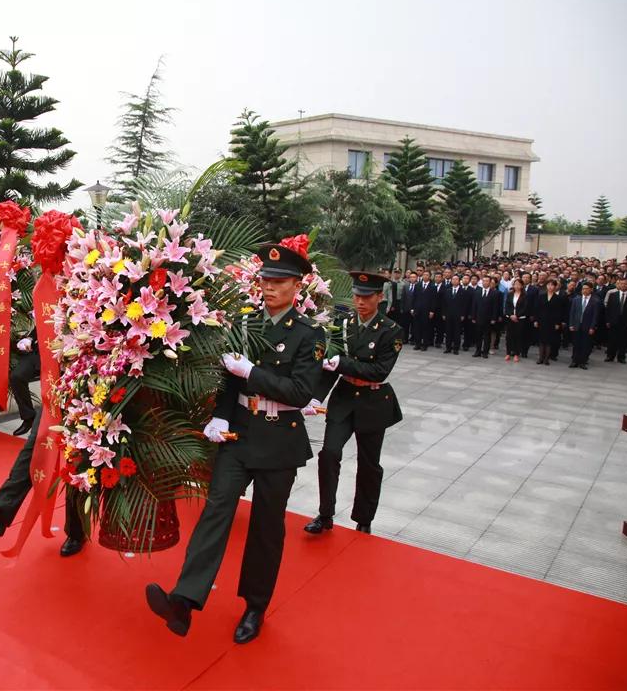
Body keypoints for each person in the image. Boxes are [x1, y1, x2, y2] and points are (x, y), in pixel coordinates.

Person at [144, 240, 325, 645]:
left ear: (297, 285)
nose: (269, 287)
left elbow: (300, 392)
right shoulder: (245, 325)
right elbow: (229, 377)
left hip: (279, 440)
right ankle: (184, 601)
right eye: (265, 279)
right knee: (216, 510)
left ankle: (255, 606)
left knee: (265, 527)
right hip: (239, 433)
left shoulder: (309, 334)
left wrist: (253, 373)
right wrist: (220, 415)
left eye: (279, 281)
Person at [304, 271, 403, 537]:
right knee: (329, 454)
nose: (360, 301)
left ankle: (363, 518)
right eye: (357, 296)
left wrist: (344, 364)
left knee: (369, 464)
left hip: (373, 401)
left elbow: (380, 371)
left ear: (379, 297)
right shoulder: (343, 323)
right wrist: (315, 396)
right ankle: (325, 514)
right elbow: (329, 364)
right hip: (344, 397)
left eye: (366, 297)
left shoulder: (391, 330)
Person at [0, 415, 85, 556]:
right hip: (52, 399)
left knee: (78, 460)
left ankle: (76, 531)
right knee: (35, 446)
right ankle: (0, 511)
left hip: (86, 400)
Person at [9, 327, 40, 436]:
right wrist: (30, 339)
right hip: (37, 352)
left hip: (59, 350)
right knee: (16, 377)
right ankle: (29, 417)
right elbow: (40, 326)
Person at [568, 281, 601, 369]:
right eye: (583, 289)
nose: (584, 290)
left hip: (588, 326)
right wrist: (571, 324)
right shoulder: (576, 299)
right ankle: (574, 361)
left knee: (586, 344)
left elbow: (595, 316)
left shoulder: (595, 301)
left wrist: (592, 327)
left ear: (591, 290)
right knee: (576, 344)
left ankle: (583, 361)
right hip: (577, 325)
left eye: (586, 289)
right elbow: (572, 313)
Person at [603, 278, 627, 364]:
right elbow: (608, 309)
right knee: (612, 339)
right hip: (613, 321)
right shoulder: (613, 295)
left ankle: (621, 357)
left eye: (625, 284)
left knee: (623, 340)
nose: (623, 285)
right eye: (622, 283)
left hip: (625, 321)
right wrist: (607, 321)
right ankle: (610, 356)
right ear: (619, 284)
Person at [533, 279, 565, 365]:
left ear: (555, 287)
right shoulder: (541, 296)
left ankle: (546, 358)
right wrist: (536, 320)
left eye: (552, 285)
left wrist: (558, 323)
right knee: (541, 340)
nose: (550, 287)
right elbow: (537, 309)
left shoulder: (558, 298)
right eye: (548, 285)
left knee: (548, 341)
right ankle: (540, 358)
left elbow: (559, 312)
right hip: (541, 321)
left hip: (552, 322)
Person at [441, 274, 467, 355]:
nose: (454, 281)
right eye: (453, 279)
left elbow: (464, 305)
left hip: (458, 315)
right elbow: (444, 304)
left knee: (457, 332)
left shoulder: (463, 291)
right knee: (448, 331)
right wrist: (444, 313)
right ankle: (448, 347)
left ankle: (456, 348)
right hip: (448, 314)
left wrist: (463, 314)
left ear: (459, 281)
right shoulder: (448, 290)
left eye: (456, 279)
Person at [503, 279, 528, 363]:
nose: (516, 286)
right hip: (510, 318)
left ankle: (517, 353)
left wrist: (517, 315)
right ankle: (508, 353)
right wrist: (511, 315)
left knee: (518, 336)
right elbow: (507, 306)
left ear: (521, 286)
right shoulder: (510, 294)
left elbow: (525, 308)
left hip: (520, 319)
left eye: (518, 284)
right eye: (515, 284)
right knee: (509, 336)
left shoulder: (525, 296)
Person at [412, 271, 435, 351]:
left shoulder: (432, 286)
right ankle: (417, 343)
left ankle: (425, 344)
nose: (425, 276)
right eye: (424, 275)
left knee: (425, 328)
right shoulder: (418, 285)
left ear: (430, 276)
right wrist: (412, 308)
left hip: (427, 310)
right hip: (418, 310)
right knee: (417, 327)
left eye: (427, 275)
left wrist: (432, 311)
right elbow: (414, 297)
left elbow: (433, 300)